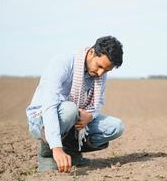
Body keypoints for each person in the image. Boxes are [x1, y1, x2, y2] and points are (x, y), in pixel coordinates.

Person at [26, 36, 124, 173]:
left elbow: (99, 102)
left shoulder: (100, 75)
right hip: (41, 118)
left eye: (106, 70)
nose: (101, 73)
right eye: (100, 66)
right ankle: (47, 155)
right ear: (91, 53)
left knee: (116, 126)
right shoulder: (63, 63)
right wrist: (57, 149)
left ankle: (73, 154)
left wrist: (90, 116)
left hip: (73, 119)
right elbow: (49, 105)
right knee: (70, 110)